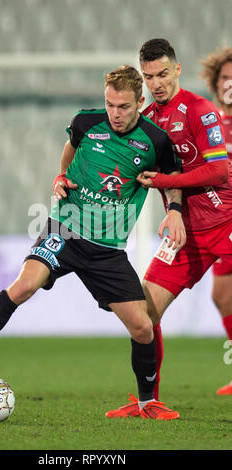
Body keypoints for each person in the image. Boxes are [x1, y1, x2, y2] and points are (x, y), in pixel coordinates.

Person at [0, 65, 184, 420]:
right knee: (24, 286)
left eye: (124, 107)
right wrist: (61, 176)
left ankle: (146, 403)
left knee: (143, 326)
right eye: (110, 105)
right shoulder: (86, 123)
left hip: (108, 249)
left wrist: (174, 209)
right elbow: (69, 150)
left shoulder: (155, 141)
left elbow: (174, 176)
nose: (115, 113)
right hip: (65, 229)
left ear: (139, 102)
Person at [106, 39, 232, 418]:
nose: (157, 83)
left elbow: (218, 171)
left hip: (225, 223)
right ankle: (149, 401)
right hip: (185, 234)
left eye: (163, 74)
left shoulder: (201, 111)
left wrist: (159, 181)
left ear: (177, 70)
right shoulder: (145, 119)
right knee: (144, 314)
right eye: (149, 77)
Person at [201, 46, 232, 395]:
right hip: (220, 218)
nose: (230, 83)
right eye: (225, 77)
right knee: (223, 296)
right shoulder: (207, 119)